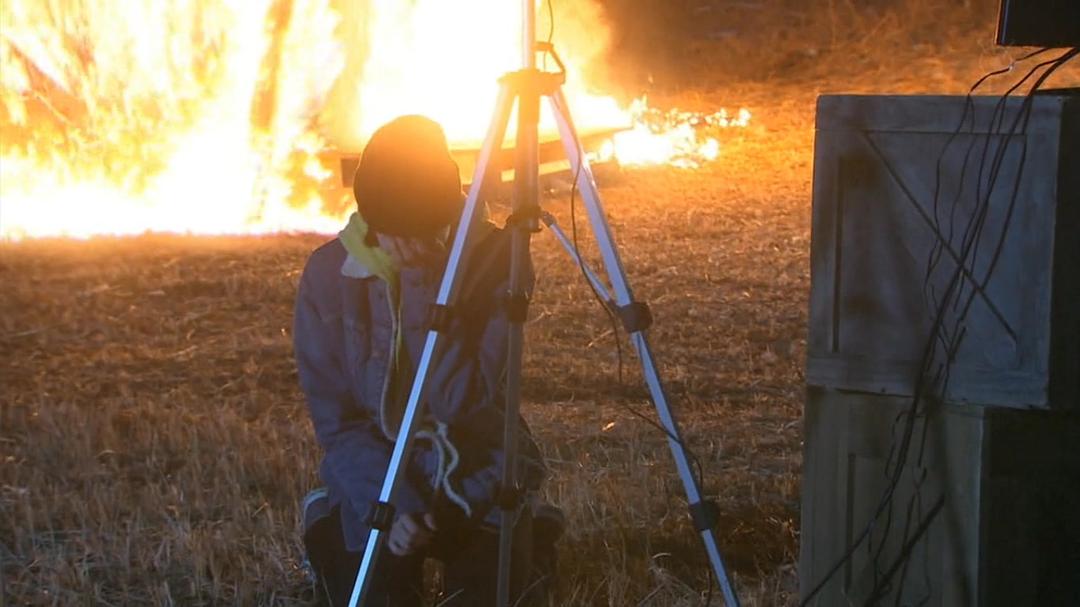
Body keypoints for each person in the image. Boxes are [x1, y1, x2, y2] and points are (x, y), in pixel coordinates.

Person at [293, 115, 560, 606]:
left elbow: (459, 400)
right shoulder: (329, 274)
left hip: (479, 466)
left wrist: (421, 284)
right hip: (380, 475)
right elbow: (339, 423)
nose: (400, 245)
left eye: (421, 231)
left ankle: (531, 534)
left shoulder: (498, 259)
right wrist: (395, 507)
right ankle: (329, 528)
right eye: (386, 233)